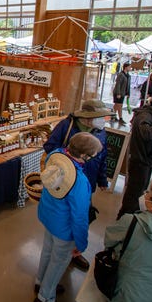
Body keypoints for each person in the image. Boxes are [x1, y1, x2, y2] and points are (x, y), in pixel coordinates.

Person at [34, 132, 102, 302]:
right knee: (58, 263)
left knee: (47, 251)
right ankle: (45, 298)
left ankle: (40, 281)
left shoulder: (55, 155)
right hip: (64, 228)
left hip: (48, 216)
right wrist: (82, 244)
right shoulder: (79, 182)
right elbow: (80, 217)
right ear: (84, 156)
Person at [44, 99, 113, 271]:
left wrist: (102, 179)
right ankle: (59, 245)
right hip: (65, 182)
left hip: (87, 182)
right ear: (89, 118)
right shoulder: (67, 126)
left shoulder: (100, 132)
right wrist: (69, 155)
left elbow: (102, 157)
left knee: (82, 214)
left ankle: (74, 251)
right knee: (63, 214)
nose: (103, 119)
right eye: (99, 116)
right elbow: (50, 146)